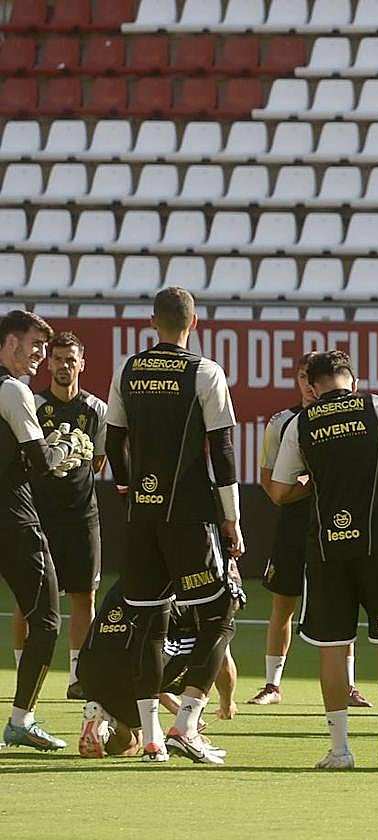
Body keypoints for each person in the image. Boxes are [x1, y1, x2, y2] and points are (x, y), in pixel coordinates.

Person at [105, 287, 242, 764]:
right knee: (221, 612)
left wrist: (127, 489)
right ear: (195, 322)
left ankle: (151, 737)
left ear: (151, 322)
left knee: (147, 622)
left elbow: (113, 439)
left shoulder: (130, 369)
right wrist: (233, 518)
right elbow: (222, 450)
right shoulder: (205, 372)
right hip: (190, 516)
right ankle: (187, 721)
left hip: (141, 516)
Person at [268, 350, 378, 770]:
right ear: (351, 381)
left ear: (313, 387)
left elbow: (279, 491)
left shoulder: (302, 421)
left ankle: (340, 750)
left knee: (332, 647)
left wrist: (310, 483)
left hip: (326, 548)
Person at [247, 353, 371, 709]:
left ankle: (348, 687)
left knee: (343, 605)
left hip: (337, 524)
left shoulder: (352, 419)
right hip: (295, 526)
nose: (307, 384)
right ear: (299, 380)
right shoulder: (282, 422)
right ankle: (272, 685)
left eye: (311, 377)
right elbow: (273, 489)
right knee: (283, 603)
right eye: (302, 376)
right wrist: (314, 484)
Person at [0, 310, 91, 751]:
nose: (40, 356)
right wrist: (68, 447)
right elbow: (42, 467)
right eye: (34, 345)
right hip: (13, 520)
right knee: (47, 620)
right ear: (11, 343)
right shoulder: (15, 392)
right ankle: (21, 720)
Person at [11, 332, 107, 701]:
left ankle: (78, 677)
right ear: (48, 363)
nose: (64, 366)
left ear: (82, 364)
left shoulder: (95, 410)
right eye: (58, 359)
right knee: (29, 597)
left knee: (85, 596)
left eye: (71, 360)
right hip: (38, 516)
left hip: (83, 517)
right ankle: (24, 669)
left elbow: (97, 462)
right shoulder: (32, 406)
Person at [76, 579, 241, 758]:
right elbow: (222, 662)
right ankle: (108, 722)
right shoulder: (201, 593)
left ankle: (103, 719)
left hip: (90, 667)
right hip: (135, 666)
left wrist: (180, 709)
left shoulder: (132, 578)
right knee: (206, 648)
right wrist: (227, 703)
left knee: (129, 744)